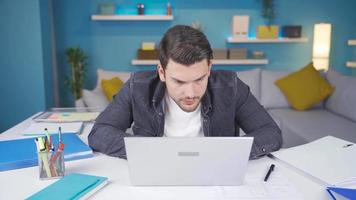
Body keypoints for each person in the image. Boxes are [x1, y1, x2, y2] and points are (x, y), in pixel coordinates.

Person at [88, 25, 282, 159]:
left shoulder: (231, 86)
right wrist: (147, 152)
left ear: (209, 68)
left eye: (199, 79)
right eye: (179, 81)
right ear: (162, 72)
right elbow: (99, 132)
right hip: (158, 175)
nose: (190, 93)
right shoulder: (137, 86)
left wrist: (227, 154)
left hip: (214, 177)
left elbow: (271, 133)